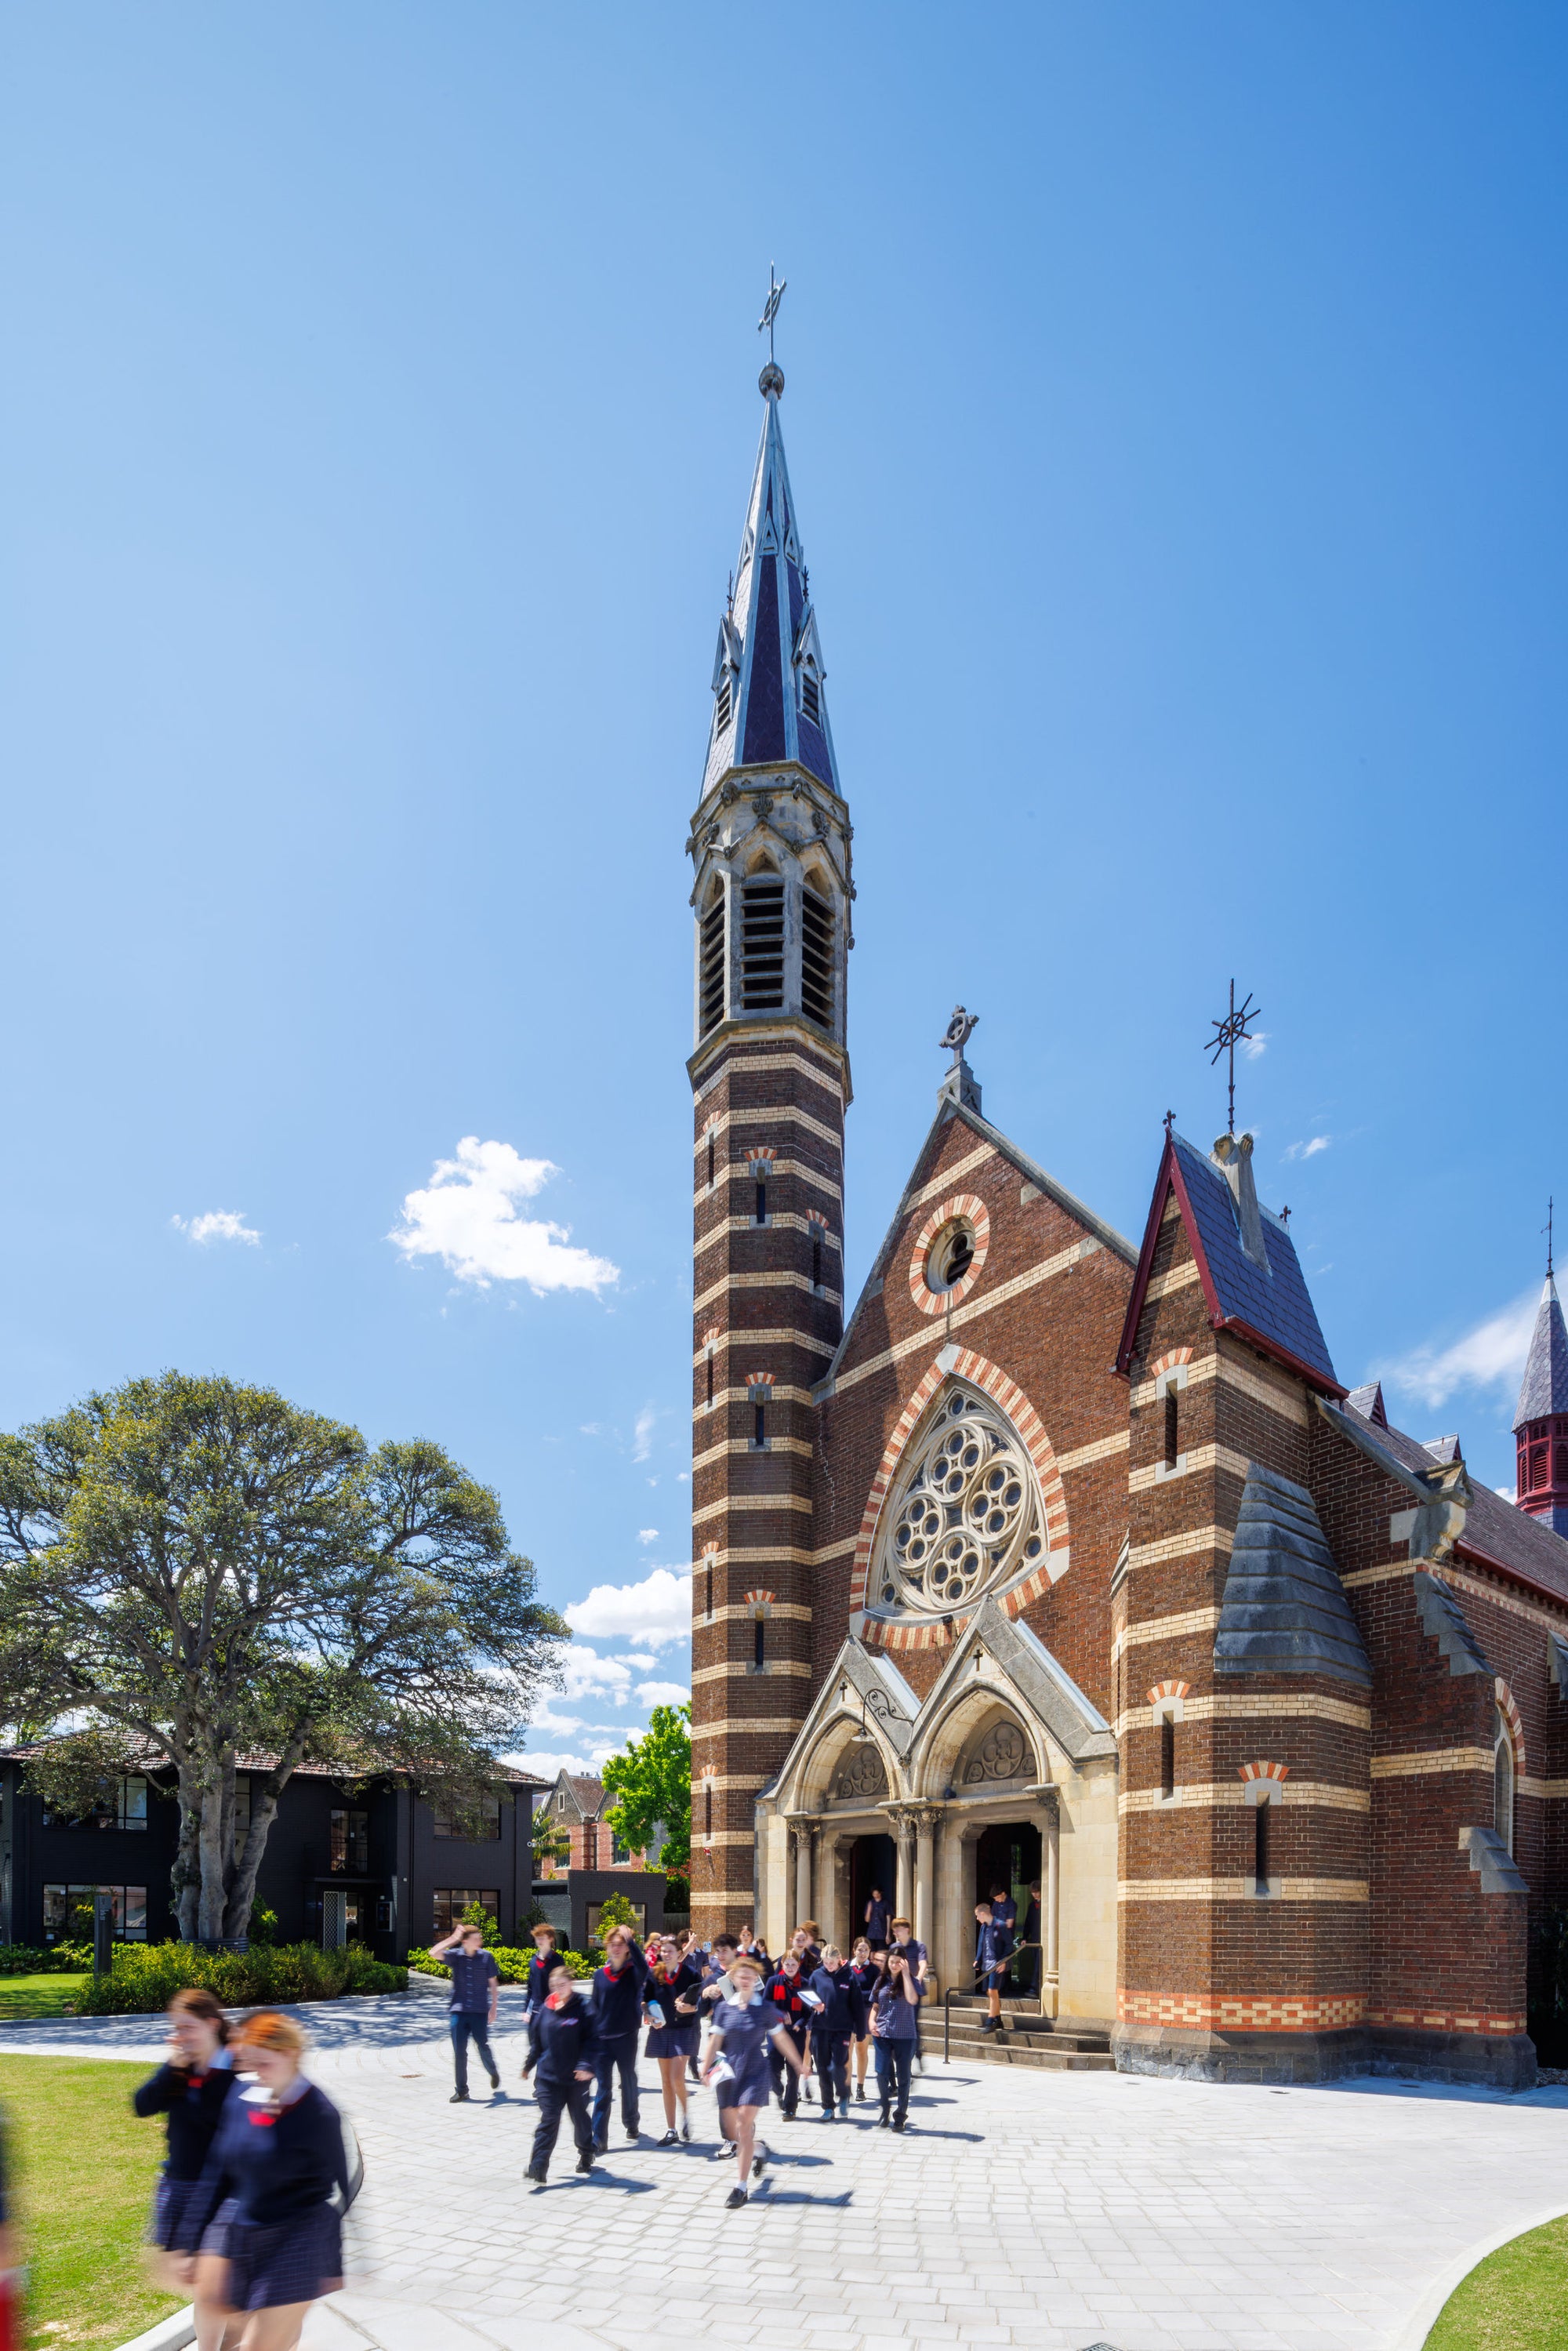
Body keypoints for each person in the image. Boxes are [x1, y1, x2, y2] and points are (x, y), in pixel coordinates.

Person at [191, 2010, 350, 2351]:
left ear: (290, 2054)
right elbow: (218, 2169)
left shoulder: (319, 2113)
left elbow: (341, 2184)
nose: (256, 2073)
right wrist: (195, 2236)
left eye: (264, 2064)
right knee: (229, 2317)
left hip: (299, 2234)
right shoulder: (242, 2098)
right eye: (251, 2064)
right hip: (245, 2226)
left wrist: (335, 2262)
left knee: (261, 2344)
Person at [133, 1989, 240, 2351]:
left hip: (225, 2193)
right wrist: (173, 2067)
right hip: (182, 2185)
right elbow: (142, 2105)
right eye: (176, 2028)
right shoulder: (181, 2069)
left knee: (215, 2287)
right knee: (209, 2289)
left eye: (187, 2027)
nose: (180, 2036)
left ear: (211, 2024)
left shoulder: (236, 2072)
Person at [703, 1954, 808, 2209]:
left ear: (756, 1979)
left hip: (755, 2072)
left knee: (743, 2123)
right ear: (734, 1979)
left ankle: (740, 2187)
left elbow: (781, 2038)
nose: (746, 1979)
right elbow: (715, 2041)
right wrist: (705, 2068)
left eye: (751, 1975)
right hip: (730, 2073)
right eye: (742, 1975)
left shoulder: (764, 2009)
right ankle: (759, 2150)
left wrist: (798, 2063)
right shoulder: (725, 2009)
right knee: (739, 2134)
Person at [526, 1962, 600, 2182]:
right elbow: (537, 2042)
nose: (558, 1989)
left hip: (576, 2078)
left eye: (562, 1984)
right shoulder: (545, 2009)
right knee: (549, 2120)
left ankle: (586, 2152)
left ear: (571, 1983)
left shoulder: (584, 2008)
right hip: (548, 2077)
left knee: (579, 2117)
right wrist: (528, 2065)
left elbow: (594, 2041)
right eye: (554, 1985)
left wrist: (587, 2066)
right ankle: (538, 2167)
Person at [430, 1918, 502, 2102]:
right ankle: (462, 2090)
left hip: (479, 2011)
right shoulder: (456, 1956)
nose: (480, 1941)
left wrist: (494, 2007)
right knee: (460, 2052)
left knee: (482, 2045)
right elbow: (433, 1953)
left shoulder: (486, 1956)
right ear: (465, 1941)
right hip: (459, 2011)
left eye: (480, 1938)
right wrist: (453, 1938)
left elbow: (493, 1983)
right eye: (476, 1938)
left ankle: (493, 2071)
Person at [590, 1927, 645, 2150]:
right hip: (602, 2040)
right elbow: (594, 2005)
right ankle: (598, 2138)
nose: (616, 1948)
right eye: (612, 1944)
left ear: (627, 1949)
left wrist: (631, 1940)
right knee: (603, 2088)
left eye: (620, 1944)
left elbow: (645, 1969)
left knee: (628, 2080)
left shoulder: (633, 1972)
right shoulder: (599, 1975)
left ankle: (631, 2122)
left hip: (626, 2037)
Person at [646, 1935, 702, 2143]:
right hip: (661, 2030)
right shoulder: (655, 1973)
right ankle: (671, 2130)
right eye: (663, 1951)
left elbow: (702, 2003)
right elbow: (645, 2000)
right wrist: (650, 2016)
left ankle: (686, 2114)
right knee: (666, 2081)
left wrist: (691, 2008)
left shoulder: (691, 1973)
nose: (666, 1954)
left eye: (670, 1950)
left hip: (685, 2029)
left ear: (680, 1953)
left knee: (677, 2077)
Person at [806, 1946, 862, 2121]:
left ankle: (843, 2094)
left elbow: (858, 2006)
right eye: (826, 1962)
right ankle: (828, 2107)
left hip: (842, 2029)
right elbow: (807, 1998)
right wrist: (813, 2005)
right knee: (823, 2069)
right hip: (820, 2029)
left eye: (832, 1962)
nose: (829, 1965)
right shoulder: (816, 1976)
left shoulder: (850, 1976)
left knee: (837, 2064)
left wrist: (860, 2031)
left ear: (839, 1959)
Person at [870, 1946, 920, 2130]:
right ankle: (885, 2108)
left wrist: (906, 1974)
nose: (894, 1965)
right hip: (882, 2033)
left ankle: (900, 2116)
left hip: (905, 2035)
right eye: (891, 1962)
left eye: (898, 1962)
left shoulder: (912, 1981)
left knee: (904, 2077)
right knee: (881, 2073)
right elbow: (875, 2006)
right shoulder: (880, 1980)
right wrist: (871, 2021)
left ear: (904, 1963)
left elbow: (912, 1999)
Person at [761, 1950, 813, 2120]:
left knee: (793, 2072)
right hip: (776, 2032)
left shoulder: (804, 1984)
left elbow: (809, 2011)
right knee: (772, 2065)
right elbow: (766, 2004)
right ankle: (778, 2090)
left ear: (799, 1965)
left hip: (796, 2033)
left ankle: (790, 2108)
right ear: (782, 1965)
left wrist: (800, 2023)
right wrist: (779, 2014)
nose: (790, 1967)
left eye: (793, 1964)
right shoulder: (773, 1982)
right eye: (787, 1964)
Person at [887, 1917, 930, 2071]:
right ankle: (902, 2058)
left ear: (907, 1930)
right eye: (894, 1930)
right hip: (898, 1991)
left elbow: (923, 1963)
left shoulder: (919, 1946)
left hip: (913, 1991)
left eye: (898, 1929)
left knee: (912, 2025)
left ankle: (915, 2055)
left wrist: (918, 1977)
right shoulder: (894, 1947)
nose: (895, 1932)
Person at [520, 1922, 560, 2080]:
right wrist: (526, 2011)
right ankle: (541, 2080)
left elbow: (560, 1988)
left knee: (549, 2048)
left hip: (551, 2011)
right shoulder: (533, 1961)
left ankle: (543, 2082)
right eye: (537, 1938)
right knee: (535, 2047)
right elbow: (530, 1989)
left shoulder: (557, 1960)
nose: (539, 1941)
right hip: (535, 2012)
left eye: (542, 1938)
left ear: (550, 1939)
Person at [847, 1939, 880, 2101]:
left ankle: (860, 2087)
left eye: (866, 1950)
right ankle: (847, 2087)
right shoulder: (846, 1968)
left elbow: (875, 1992)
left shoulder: (874, 1970)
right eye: (860, 1949)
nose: (863, 1953)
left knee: (862, 2049)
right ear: (854, 1950)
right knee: (847, 2051)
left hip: (865, 2013)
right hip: (847, 2013)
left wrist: (858, 1995)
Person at [974, 1900, 1008, 2033]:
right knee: (990, 1992)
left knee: (993, 1991)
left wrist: (1004, 1961)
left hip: (997, 1964)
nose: (977, 1918)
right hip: (986, 1964)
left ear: (983, 1914)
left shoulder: (1000, 1925)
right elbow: (981, 1944)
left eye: (977, 1916)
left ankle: (990, 2020)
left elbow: (1009, 1945)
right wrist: (977, 1960)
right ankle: (998, 2020)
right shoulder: (984, 1927)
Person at [1021, 1880, 1042, 1997]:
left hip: (1042, 1940)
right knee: (1036, 1965)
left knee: (1039, 1965)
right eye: (1033, 1893)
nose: (1035, 1895)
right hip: (1034, 1939)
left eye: (1037, 1892)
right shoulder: (1032, 1906)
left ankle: (1034, 1989)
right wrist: (1024, 1937)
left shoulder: (1046, 1904)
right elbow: (1028, 1923)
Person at [863, 1886, 891, 1951]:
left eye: (877, 1894)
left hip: (882, 1932)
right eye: (874, 1894)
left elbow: (888, 1918)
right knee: (871, 1952)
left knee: (881, 1952)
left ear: (880, 1893)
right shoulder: (870, 1903)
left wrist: (888, 1934)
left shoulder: (886, 1903)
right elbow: (867, 1920)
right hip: (871, 1933)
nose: (876, 1896)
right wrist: (869, 1910)